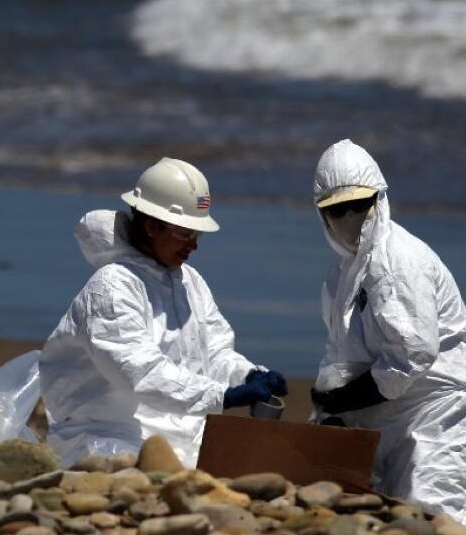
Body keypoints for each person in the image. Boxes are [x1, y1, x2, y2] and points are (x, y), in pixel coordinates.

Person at [40, 157, 287, 467]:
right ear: (151, 226)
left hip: (182, 434)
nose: (194, 246)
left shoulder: (189, 281)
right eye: (185, 234)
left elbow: (214, 353)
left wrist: (247, 375)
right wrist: (224, 396)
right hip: (105, 437)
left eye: (198, 235)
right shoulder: (112, 287)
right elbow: (141, 373)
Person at [310, 139, 466, 526]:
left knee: (432, 518)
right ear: (322, 215)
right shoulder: (342, 273)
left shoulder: (399, 263)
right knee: (364, 513)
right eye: (338, 210)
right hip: (385, 414)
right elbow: (341, 354)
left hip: (440, 411)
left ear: (380, 199)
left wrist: (345, 398)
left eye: (361, 205)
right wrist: (328, 405)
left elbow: (412, 356)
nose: (351, 218)